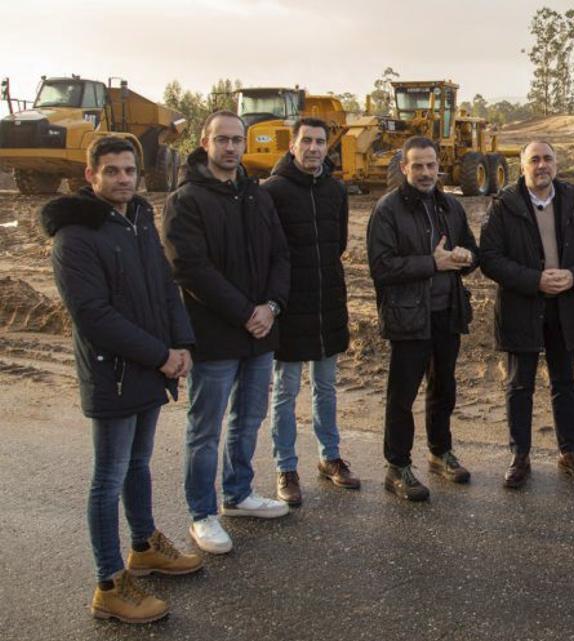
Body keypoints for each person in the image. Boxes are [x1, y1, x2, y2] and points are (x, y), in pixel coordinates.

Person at [43, 136, 202, 623]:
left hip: (151, 367)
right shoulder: (75, 236)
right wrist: (160, 355)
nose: (123, 179)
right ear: (90, 175)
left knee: (138, 464)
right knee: (108, 478)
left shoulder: (138, 221)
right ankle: (109, 584)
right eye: (111, 171)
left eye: (129, 170)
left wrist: (182, 343)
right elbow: (94, 316)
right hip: (113, 373)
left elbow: (166, 286)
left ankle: (144, 546)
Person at [163, 110, 292, 555]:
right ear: (205, 143)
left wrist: (271, 307)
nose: (232, 147)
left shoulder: (257, 196)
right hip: (215, 334)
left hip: (260, 333)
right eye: (223, 139)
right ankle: (202, 512)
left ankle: (238, 493)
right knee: (206, 428)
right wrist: (245, 312)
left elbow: (280, 255)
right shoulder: (186, 200)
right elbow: (190, 268)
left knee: (249, 419)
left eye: (237, 140)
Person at [479, 140, 574, 489]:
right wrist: (534, 280)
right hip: (522, 306)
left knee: (565, 382)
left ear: (556, 164)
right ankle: (520, 456)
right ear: (522, 166)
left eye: (547, 159)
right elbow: (489, 257)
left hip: (567, 308)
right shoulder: (504, 204)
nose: (542, 165)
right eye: (534, 159)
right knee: (519, 384)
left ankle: (570, 453)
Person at [366, 136, 478, 502]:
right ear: (404, 168)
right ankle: (397, 466)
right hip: (408, 315)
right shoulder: (387, 209)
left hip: (447, 312)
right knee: (403, 395)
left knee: (444, 387)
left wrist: (466, 257)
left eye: (431, 165)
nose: (426, 172)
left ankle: (440, 452)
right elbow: (381, 267)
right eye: (418, 166)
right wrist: (432, 263)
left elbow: (472, 251)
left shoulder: (450, 206)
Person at [263, 117, 358, 507]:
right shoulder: (272, 191)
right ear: (293, 146)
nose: (314, 148)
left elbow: (337, 244)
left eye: (320, 141)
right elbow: (268, 251)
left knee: (326, 387)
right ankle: (286, 467)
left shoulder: (336, 190)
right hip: (289, 306)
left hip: (327, 302)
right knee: (286, 391)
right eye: (307, 141)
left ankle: (329, 457)